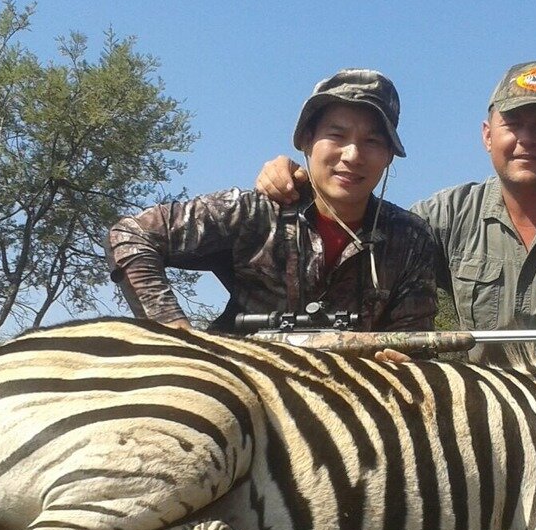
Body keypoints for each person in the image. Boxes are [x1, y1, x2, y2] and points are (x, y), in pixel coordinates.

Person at [255, 61, 536, 332]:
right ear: (487, 136)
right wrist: (301, 183)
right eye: (514, 125)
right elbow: (356, 224)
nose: (527, 140)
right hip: (485, 430)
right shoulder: (446, 215)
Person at [108, 68, 437, 334]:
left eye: (372, 141)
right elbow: (131, 233)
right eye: (336, 135)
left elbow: (413, 338)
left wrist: (402, 361)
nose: (352, 155)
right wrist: (174, 332)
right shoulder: (254, 212)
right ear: (306, 140)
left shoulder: (410, 239)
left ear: (389, 157)